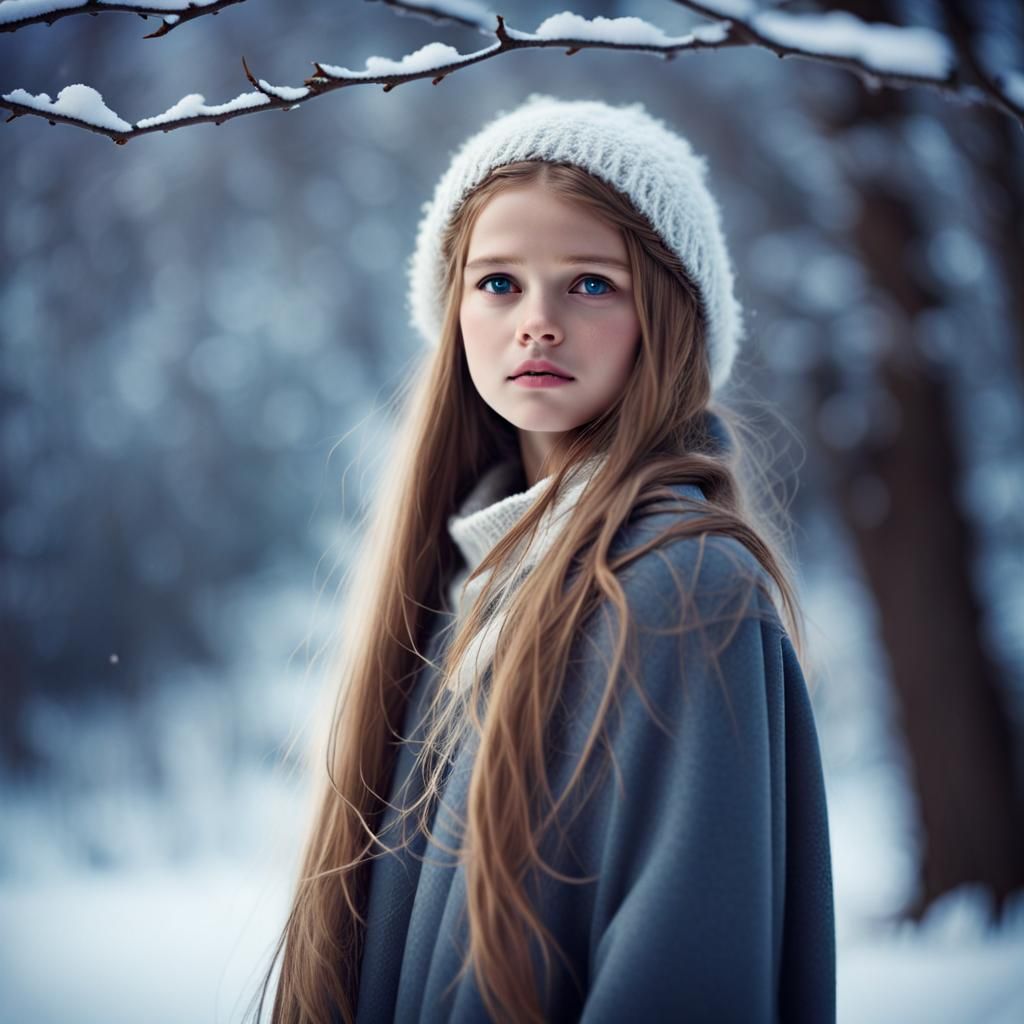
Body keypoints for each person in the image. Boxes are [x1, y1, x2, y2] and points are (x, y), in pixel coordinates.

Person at [254, 94, 835, 1024]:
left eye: (591, 283)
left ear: (668, 318)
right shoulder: (463, 590)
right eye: (498, 283)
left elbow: (688, 971)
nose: (537, 322)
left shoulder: (683, 589)